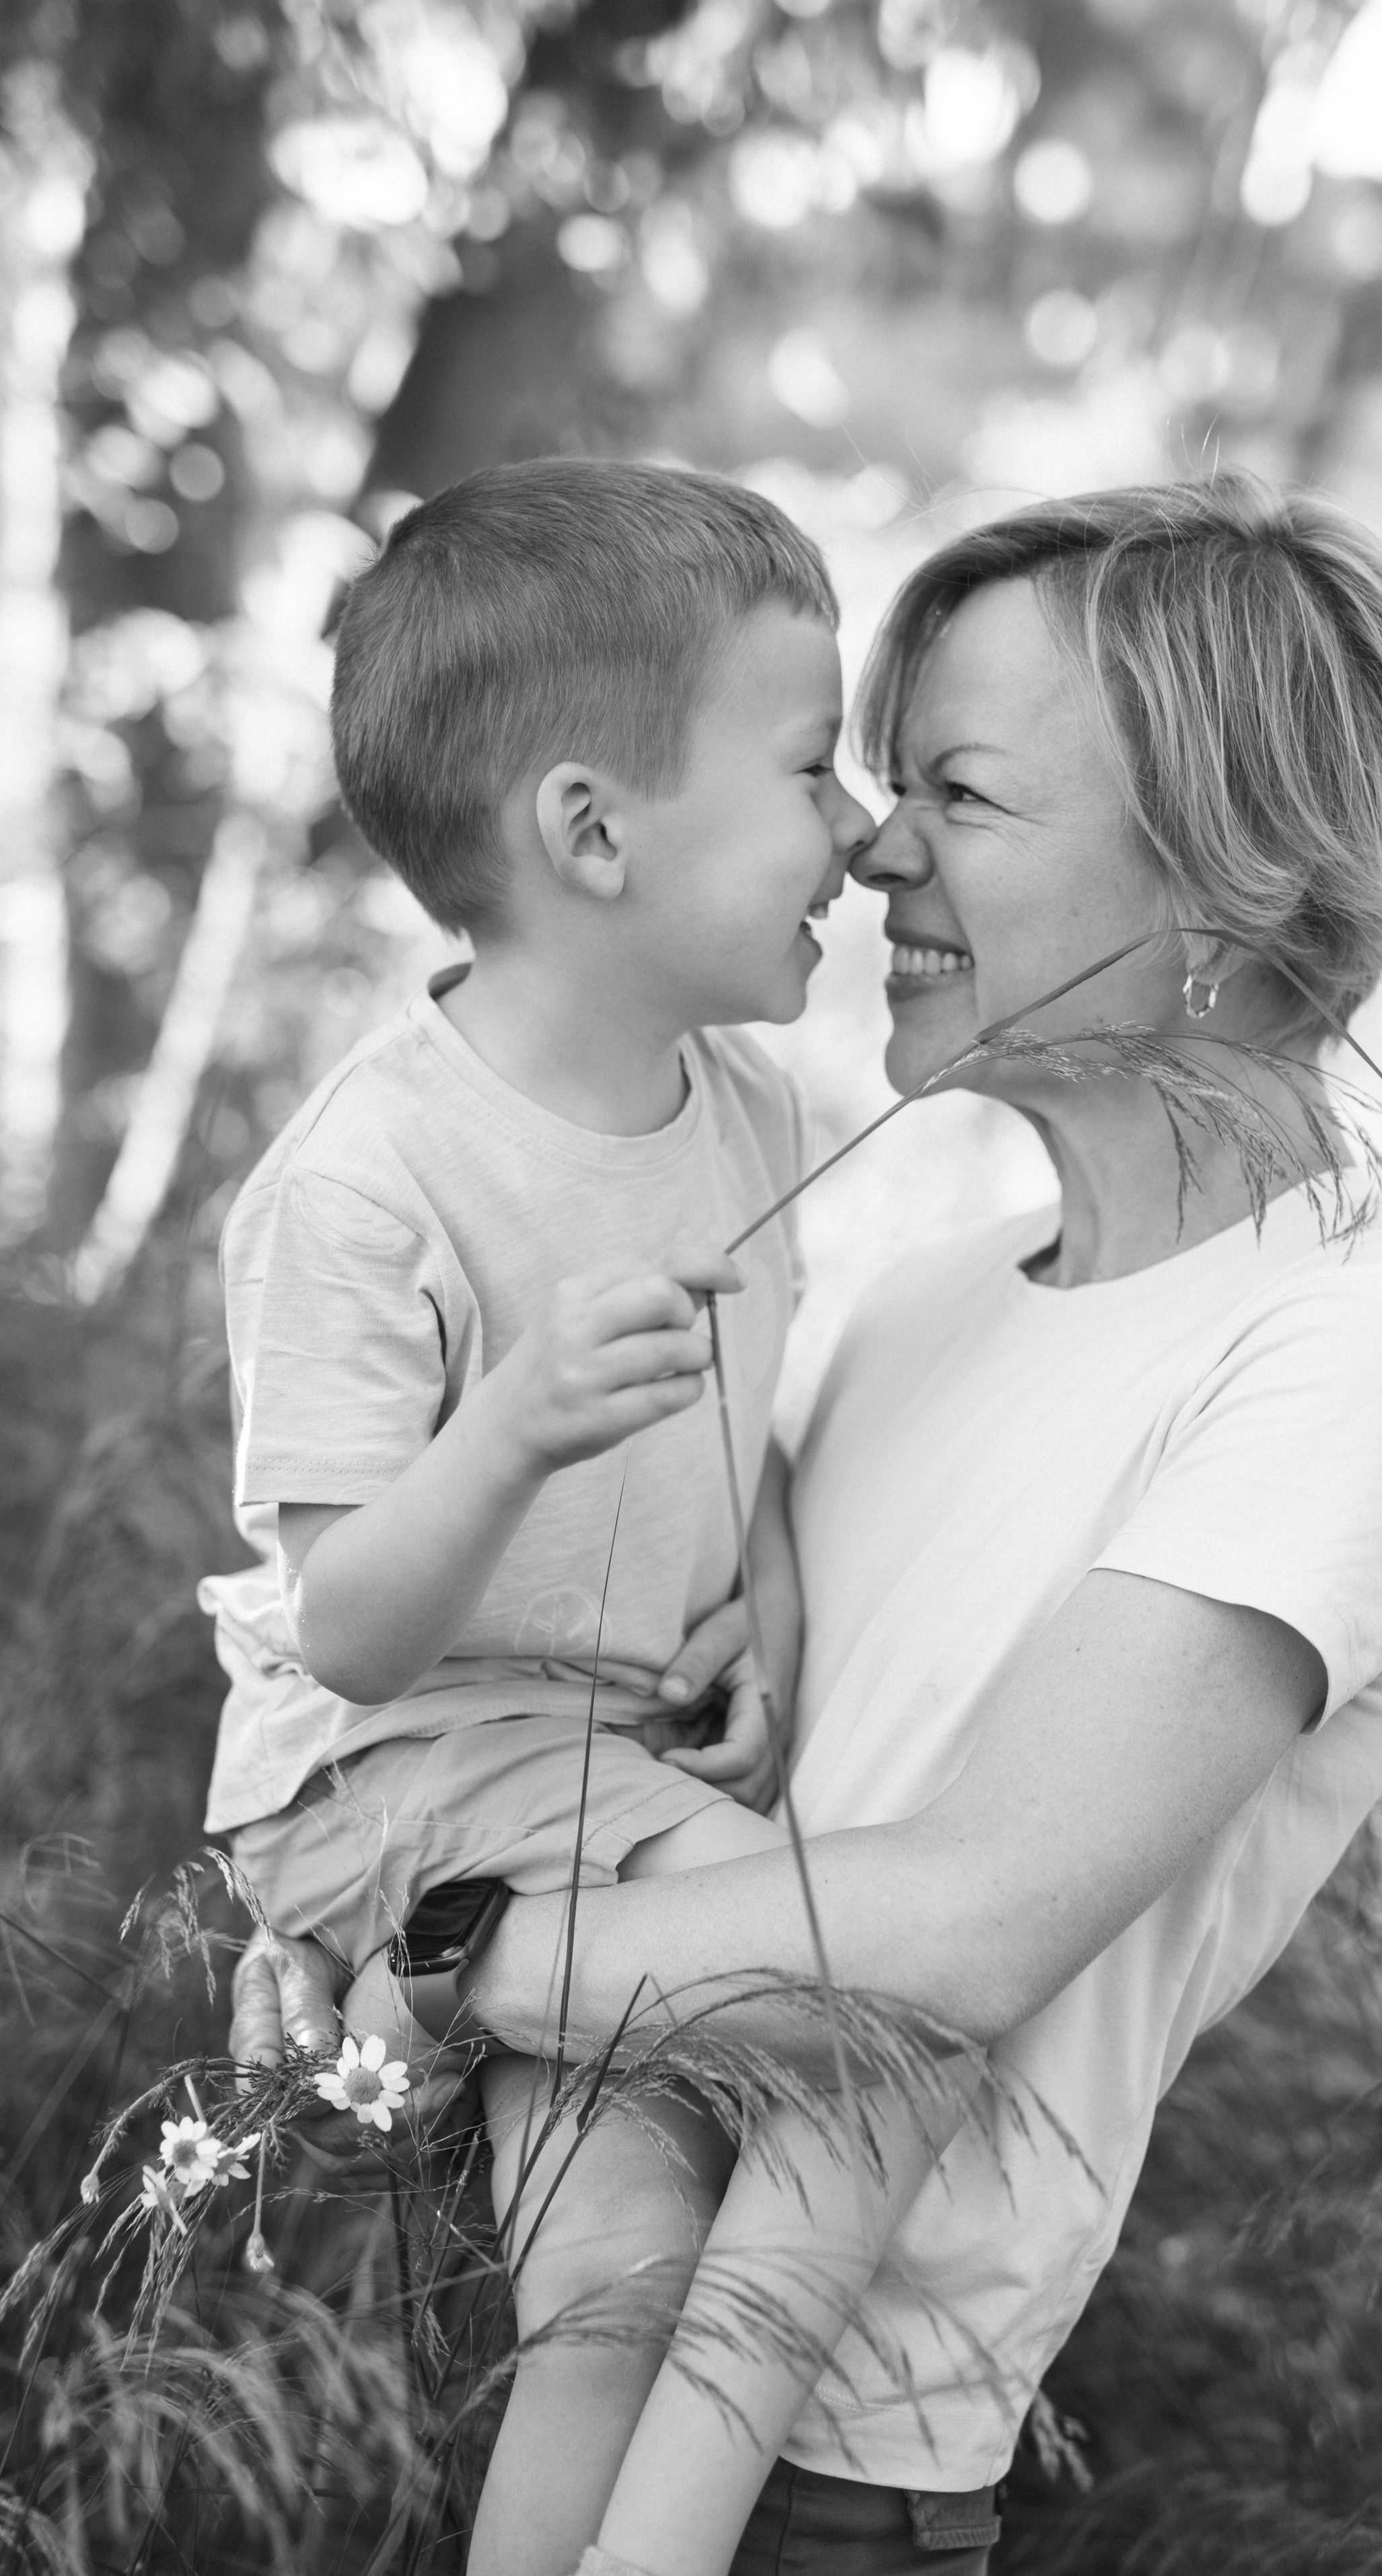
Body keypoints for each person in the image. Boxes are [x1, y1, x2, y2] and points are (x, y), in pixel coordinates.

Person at [230, 472, 1382, 2576]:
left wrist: (444, 1957)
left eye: (965, 793)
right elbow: (577, 1676)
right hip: (550, 2288)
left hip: (824, 2475)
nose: (879, 841)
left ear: (1233, 880)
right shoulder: (906, 1295)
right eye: (871, 774)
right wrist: (345, 1860)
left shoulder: (1346, 1353)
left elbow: (957, 1930)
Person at [200, 456, 974, 2576]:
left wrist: (769, 1608)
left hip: (598, 1771)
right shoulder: (367, 1186)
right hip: (404, 1766)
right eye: (813, 763)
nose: (863, 825)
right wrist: (513, 1428)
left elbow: (743, 1431)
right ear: (592, 831)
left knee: (618, 2264)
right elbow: (345, 1620)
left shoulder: (752, 1112)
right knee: (878, 2026)